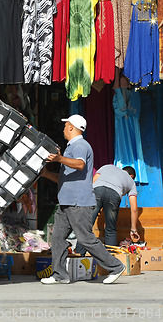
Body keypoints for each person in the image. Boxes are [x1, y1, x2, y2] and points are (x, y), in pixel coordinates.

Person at [40, 114, 126, 285]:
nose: (63, 129)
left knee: (85, 238)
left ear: (71, 127)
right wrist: (46, 174)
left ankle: (115, 267)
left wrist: (59, 159)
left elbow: (80, 164)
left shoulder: (80, 145)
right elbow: (65, 178)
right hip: (66, 202)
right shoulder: (71, 147)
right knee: (57, 238)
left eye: (65, 126)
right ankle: (60, 275)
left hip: (78, 202)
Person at [76, 165, 140, 254]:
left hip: (97, 191)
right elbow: (134, 209)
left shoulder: (107, 167)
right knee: (110, 229)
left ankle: (78, 257)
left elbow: (92, 183)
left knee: (85, 226)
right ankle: (109, 263)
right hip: (114, 196)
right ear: (131, 176)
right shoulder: (131, 182)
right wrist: (133, 229)